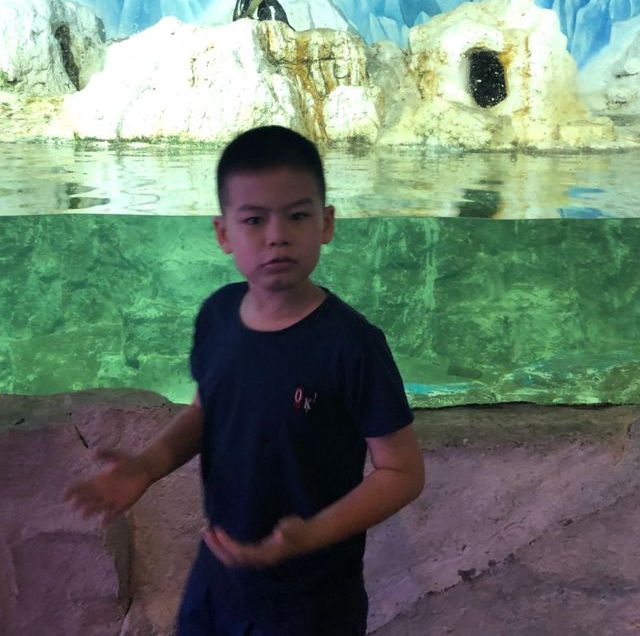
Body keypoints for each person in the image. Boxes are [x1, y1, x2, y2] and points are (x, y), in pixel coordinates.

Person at [66, 125, 425, 636]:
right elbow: (206, 411)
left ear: (325, 223)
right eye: (254, 219)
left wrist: (310, 535)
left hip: (311, 603)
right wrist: (147, 466)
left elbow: (402, 472)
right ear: (223, 234)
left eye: (297, 216)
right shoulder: (217, 315)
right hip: (218, 582)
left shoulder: (352, 345)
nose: (277, 235)